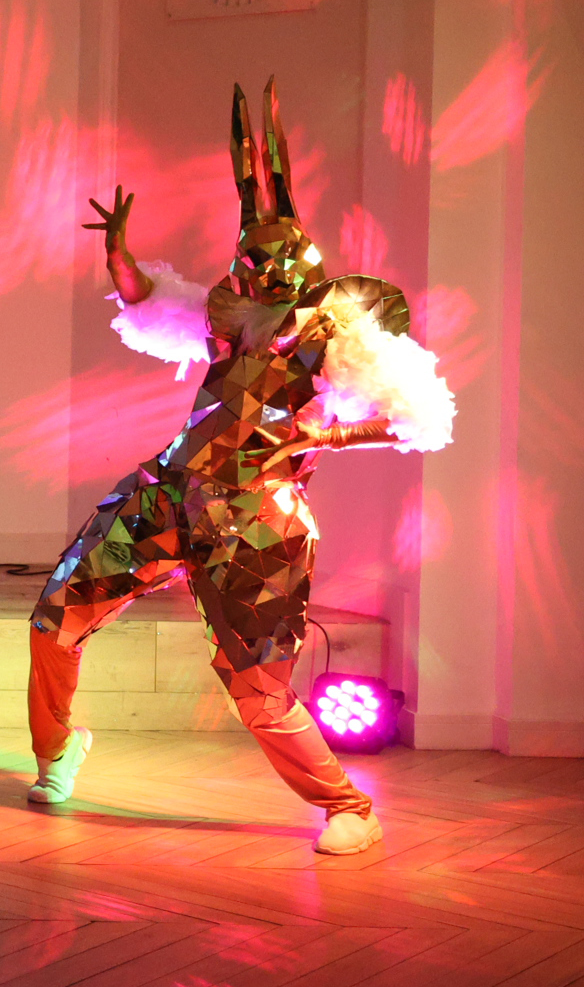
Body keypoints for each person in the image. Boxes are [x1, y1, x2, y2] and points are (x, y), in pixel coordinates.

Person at [27, 81, 454, 855]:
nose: (257, 272)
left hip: (258, 522)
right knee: (56, 618)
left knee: (257, 690)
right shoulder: (229, 324)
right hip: (166, 494)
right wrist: (117, 257)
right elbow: (150, 303)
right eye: (249, 260)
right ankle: (57, 752)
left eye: (272, 260)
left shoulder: (335, 332)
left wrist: (326, 435)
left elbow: (416, 416)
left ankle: (349, 808)